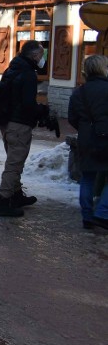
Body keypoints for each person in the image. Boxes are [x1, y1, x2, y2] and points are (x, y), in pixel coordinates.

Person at [0, 40, 48, 217]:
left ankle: (16, 195)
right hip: (19, 124)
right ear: (34, 56)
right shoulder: (28, 74)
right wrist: (42, 111)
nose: (42, 59)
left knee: (14, 160)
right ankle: (3, 203)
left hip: (7, 122)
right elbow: (27, 104)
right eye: (41, 55)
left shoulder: (11, 69)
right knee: (14, 164)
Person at [67, 54, 108, 230]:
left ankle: (87, 216)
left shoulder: (79, 92)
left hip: (86, 138)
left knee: (88, 177)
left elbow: (72, 118)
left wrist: (85, 128)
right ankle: (103, 212)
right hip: (106, 136)